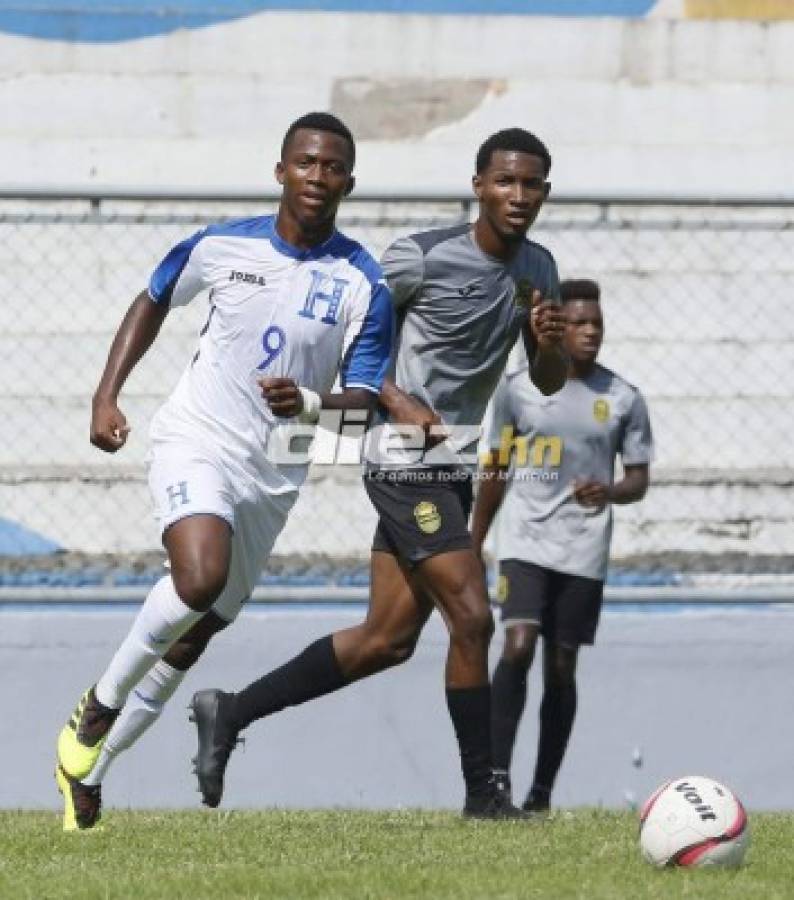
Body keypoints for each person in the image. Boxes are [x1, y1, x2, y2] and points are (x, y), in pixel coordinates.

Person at [189, 127, 568, 819]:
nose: (518, 195)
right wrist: (394, 399)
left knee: (386, 640)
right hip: (398, 456)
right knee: (473, 616)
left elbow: (544, 383)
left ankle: (231, 711)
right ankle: (484, 797)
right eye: (505, 181)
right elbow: (354, 330)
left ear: (545, 191)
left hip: (449, 457)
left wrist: (547, 349)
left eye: (532, 184)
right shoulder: (421, 258)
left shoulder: (538, 271)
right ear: (479, 185)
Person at [54, 112, 396, 831]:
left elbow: (361, 407)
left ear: (350, 183)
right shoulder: (221, 245)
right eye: (306, 162)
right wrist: (106, 393)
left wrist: (307, 403)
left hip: (274, 472)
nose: (318, 177)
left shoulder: (364, 283)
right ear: (281, 170)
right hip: (197, 438)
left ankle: (88, 770)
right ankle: (98, 707)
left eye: (333, 167)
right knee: (198, 578)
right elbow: (152, 298)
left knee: (195, 633)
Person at [471, 278, 652, 813]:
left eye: (597, 322)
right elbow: (497, 469)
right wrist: (474, 542)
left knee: (562, 666)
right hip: (524, 540)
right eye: (579, 323)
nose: (590, 331)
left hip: (583, 549)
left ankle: (542, 793)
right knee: (519, 645)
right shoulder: (517, 390)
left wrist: (612, 490)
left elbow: (638, 478)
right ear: (555, 327)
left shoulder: (623, 398)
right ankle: (496, 779)